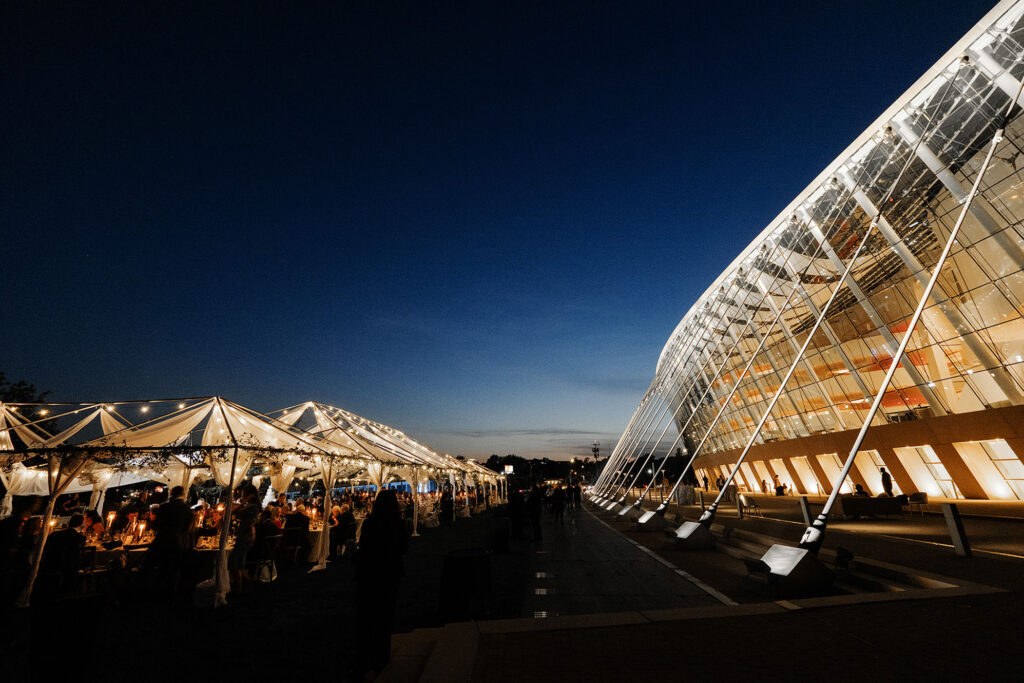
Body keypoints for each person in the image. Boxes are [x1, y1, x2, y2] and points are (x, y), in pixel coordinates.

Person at [353, 489, 408, 679]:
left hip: (370, 574)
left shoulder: (369, 524)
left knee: (368, 615)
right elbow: (404, 548)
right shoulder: (398, 524)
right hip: (390, 573)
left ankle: (365, 656)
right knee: (386, 614)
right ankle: (382, 654)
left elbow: (364, 547)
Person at [43, 513, 87, 593]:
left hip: (52, 563)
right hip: (71, 566)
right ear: (81, 524)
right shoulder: (80, 538)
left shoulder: (54, 534)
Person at [229, 484, 261, 591]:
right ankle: (242, 587)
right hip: (245, 535)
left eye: (244, 494)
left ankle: (240, 588)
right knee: (237, 563)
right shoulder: (252, 506)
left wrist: (243, 502)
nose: (242, 495)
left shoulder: (252, 507)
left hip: (245, 535)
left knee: (236, 564)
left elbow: (234, 512)